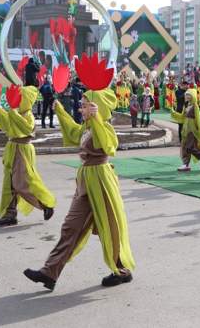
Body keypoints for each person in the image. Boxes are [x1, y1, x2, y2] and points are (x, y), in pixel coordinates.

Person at [24, 54, 135, 291]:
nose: (80, 107)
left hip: (102, 180)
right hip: (85, 182)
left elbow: (108, 146)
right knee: (70, 227)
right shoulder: (86, 126)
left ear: (97, 107)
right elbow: (75, 134)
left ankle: (122, 270)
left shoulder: (104, 127)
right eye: (82, 104)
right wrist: (61, 111)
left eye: (84, 105)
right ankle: (49, 273)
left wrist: (96, 119)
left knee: (110, 228)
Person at [0, 85, 56, 226]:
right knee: (9, 184)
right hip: (12, 149)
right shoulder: (16, 113)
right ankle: (9, 214)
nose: (17, 100)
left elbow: (25, 128)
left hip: (22, 150)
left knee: (22, 183)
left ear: (26, 100)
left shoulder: (28, 115)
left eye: (20, 98)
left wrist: (13, 113)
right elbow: (6, 122)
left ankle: (45, 205)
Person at [170, 88, 200, 172]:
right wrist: (173, 112)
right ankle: (185, 164)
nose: (187, 96)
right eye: (186, 95)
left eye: (189, 95)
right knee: (185, 147)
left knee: (190, 147)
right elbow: (182, 117)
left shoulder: (195, 106)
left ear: (193, 96)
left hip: (193, 130)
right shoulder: (187, 106)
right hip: (186, 129)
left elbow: (198, 118)